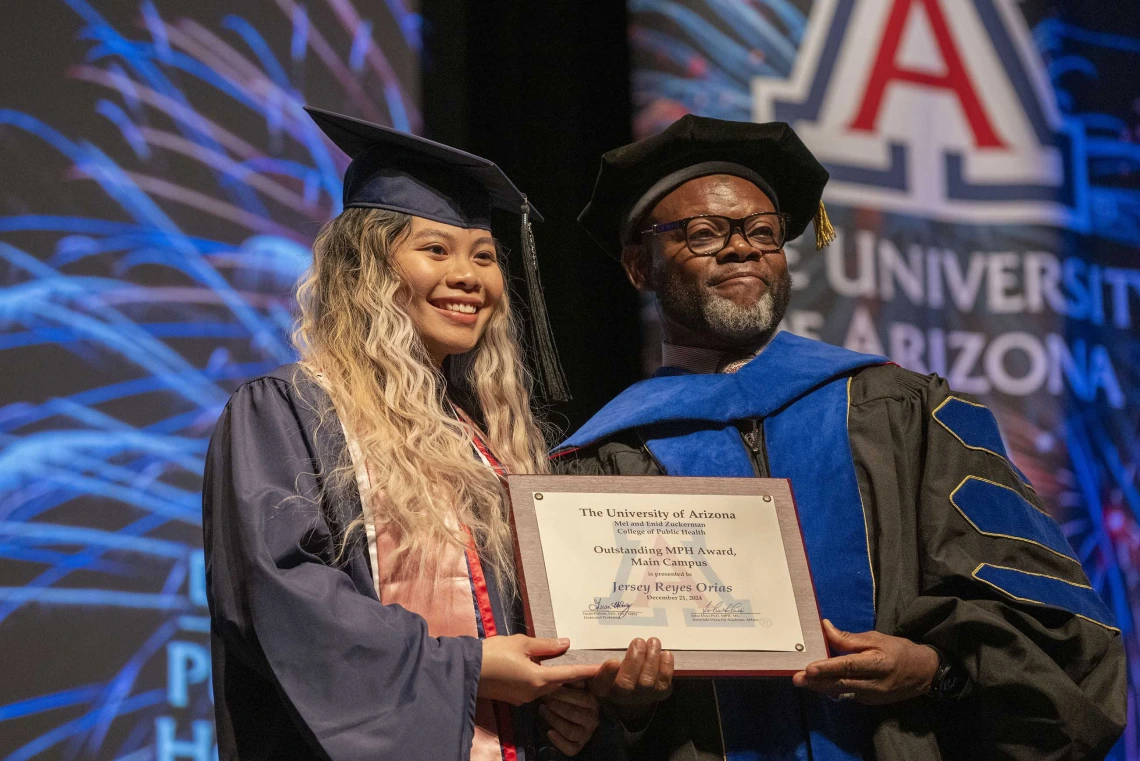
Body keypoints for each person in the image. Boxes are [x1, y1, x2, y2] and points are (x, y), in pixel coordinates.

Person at [552, 115, 1126, 761]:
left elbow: (1054, 625)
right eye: (705, 233)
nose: (742, 248)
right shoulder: (598, 465)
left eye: (763, 232)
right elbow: (563, 714)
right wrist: (627, 704)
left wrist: (935, 665)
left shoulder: (908, 412)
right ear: (639, 267)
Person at [203, 107, 665, 761]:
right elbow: (281, 598)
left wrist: (568, 696)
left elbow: (522, 625)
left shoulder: (492, 440)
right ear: (366, 270)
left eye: (483, 255)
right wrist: (471, 666)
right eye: (435, 250)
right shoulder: (286, 411)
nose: (468, 277)